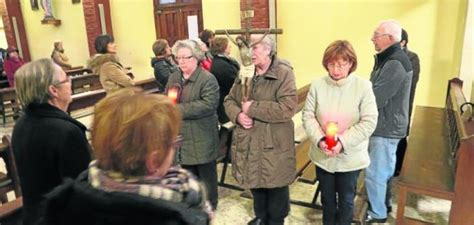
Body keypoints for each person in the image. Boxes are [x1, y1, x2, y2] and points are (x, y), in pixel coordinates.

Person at [40, 88, 212, 225]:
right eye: (173, 143)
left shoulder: (66, 204)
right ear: (153, 161)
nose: (174, 148)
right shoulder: (175, 214)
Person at [302, 40, 378, 225]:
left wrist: (342, 142)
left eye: (342, 64)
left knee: (345, 200)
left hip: (350, 156)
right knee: (327, 200)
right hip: (323, 154)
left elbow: (369, 121)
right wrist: (320, 139)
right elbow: (308, 116)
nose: (336, 69)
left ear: (351, 64)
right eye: (332, 64)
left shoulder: (363, 87)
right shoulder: (318, 85)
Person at [224, 34, 297, 225]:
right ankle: (261, 218)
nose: (249, 52)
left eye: (255, 48)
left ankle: (274, 220)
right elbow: (229, 100)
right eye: (248, 48)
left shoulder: (283, 73)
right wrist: (238, 116)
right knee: (256, 187)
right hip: (249, 143)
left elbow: (288, 107)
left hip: (273, 145)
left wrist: (253, 108)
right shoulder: (246, 71)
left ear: (268, 50)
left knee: (275, 192)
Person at [12, 58, 91, 225]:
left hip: (34, 216)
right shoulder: (67, 131)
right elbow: (82, 191)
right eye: (66, 79)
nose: (70, 83)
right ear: (53, 90)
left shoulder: (22, 123)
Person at [365, 20, 413, 223]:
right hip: (389, 125)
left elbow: (376, 97)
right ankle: (383, 205)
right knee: (383, 171)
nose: (372, 39)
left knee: (375, 172)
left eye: (376, 35)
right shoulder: (391, 58)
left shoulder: (394, 62)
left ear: (390, 38)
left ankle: (377, 215)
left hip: (385, 127)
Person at [165, 39, 220, 210]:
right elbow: (168, 98)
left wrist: (177, 109)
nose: (180, 62)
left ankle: (210, 204)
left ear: (196, 57)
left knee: (206, 175)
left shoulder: (207, 79)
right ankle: (193, 203)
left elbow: (208, 105)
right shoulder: (174, 77)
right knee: (188, 173)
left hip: (202, 135)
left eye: (185, 58)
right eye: (177, 58)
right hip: (182, 136)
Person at [394, 28, 421, 176]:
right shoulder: (385, 57)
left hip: (402, 104)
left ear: (403, 42)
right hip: (386, 107)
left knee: (401, 136)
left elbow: (408, 84)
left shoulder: (412, 58)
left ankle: (399, 168)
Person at [210, 37, 240, 124]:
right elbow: (233, 81)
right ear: (223, 48)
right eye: (228, 46)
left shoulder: (225, 60)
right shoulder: (220, 65)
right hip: (225, 101)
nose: (230, 47)